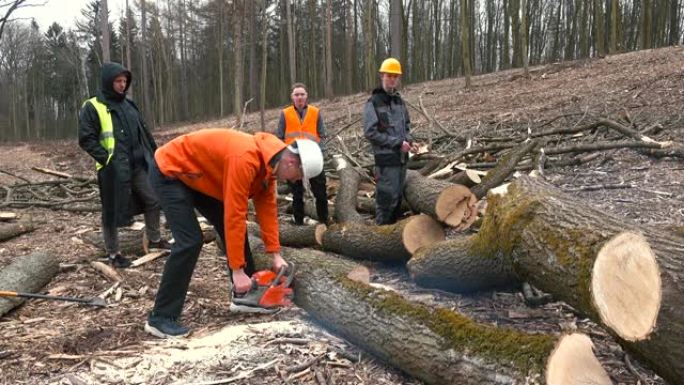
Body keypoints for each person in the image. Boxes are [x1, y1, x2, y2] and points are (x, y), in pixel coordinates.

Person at [144, 128, 323, 338]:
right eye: (298, 177)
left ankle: (244, 295)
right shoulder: (245, 159)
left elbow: (267, 211)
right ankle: (160, 318)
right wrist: (237, 270)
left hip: (202, 176)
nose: (294, 181)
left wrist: (275, 253)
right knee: (190, 240)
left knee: (231, 226)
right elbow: (235, 214)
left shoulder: (270, 166)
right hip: (171, 170)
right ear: (292, 163)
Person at [78, 62, 169, 268]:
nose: (122, 85)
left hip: (138, 165)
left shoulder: (129, 105)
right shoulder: (93, 106)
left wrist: (152, 156)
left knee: (153, 199)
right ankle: (113, 253)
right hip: (112, 168)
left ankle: (155, 240)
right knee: (111, 210)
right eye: (118, 81)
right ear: (108, 81)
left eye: (124, 81)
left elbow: (143, 133)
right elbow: (86, 138)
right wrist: (106, 159)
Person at [363, 58, 419, 225]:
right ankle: (381, 237)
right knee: (386, 201)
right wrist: (397, 143)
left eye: (396, 76)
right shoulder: (373, 102)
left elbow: (406, 128)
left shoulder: (399, 101)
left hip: (401, 160)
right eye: (389, 75)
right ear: (382, 76)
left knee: (397, 200)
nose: (392, 79)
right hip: (386, 162)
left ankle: (391, 238)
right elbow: (370, 132)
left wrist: (410, 141)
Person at [276, 83, 329, 225]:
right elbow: (279, 138)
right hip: (293, 161)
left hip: (313, 158)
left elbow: (323, 136)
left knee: (321, 194)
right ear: (292, 97)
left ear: (307, 96)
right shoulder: (285, 114)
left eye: (302, 94)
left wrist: (322, 155)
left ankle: (324, 222)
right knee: (297, 195)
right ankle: (299, 224)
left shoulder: (316, 112)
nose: (299, 97)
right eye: (296, 94)